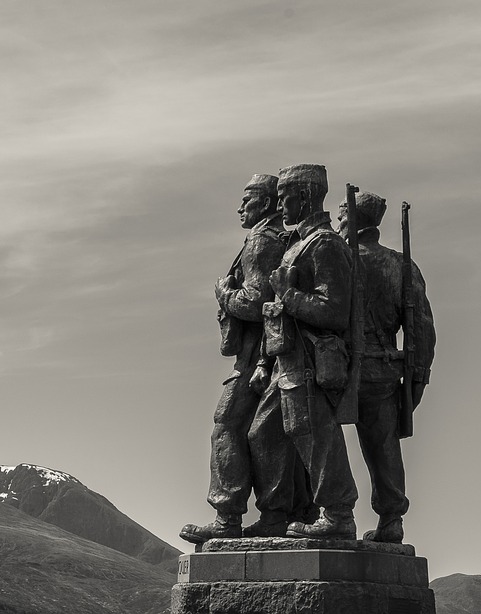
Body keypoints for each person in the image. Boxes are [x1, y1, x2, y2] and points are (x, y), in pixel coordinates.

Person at [248, 163, 360, 540]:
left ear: (307, 197)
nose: (280, 206)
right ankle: (276, 514)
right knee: (264, 434)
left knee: (315, 434)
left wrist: (289, 294)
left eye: (285, 198)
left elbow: (333, 311)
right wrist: (265, 359)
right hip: (285, 359)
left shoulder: (325, 244)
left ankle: (339, 514)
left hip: (311, 361)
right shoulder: (298, 243)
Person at [180, 174, 291, 544]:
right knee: (269, 434)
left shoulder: (261, 239)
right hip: (271, 354)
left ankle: (227, 517)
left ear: (266, 203)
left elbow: (256, 301)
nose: (240, 207)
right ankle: (277, 514)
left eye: (249, 199)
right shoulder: (278, 236)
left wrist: (224, 294)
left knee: (226, 423)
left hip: (259, 356)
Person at [338, 191, 436, 543]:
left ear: (352, 219)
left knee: (321, 439)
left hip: (339, 371)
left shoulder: (340, 260)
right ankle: (391, 519)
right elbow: (421, 329)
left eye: (341, 215)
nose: (337, 221)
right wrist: (418, 377)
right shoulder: (401, 265)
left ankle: (330, 513)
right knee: (384, 447)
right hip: (383, 371)